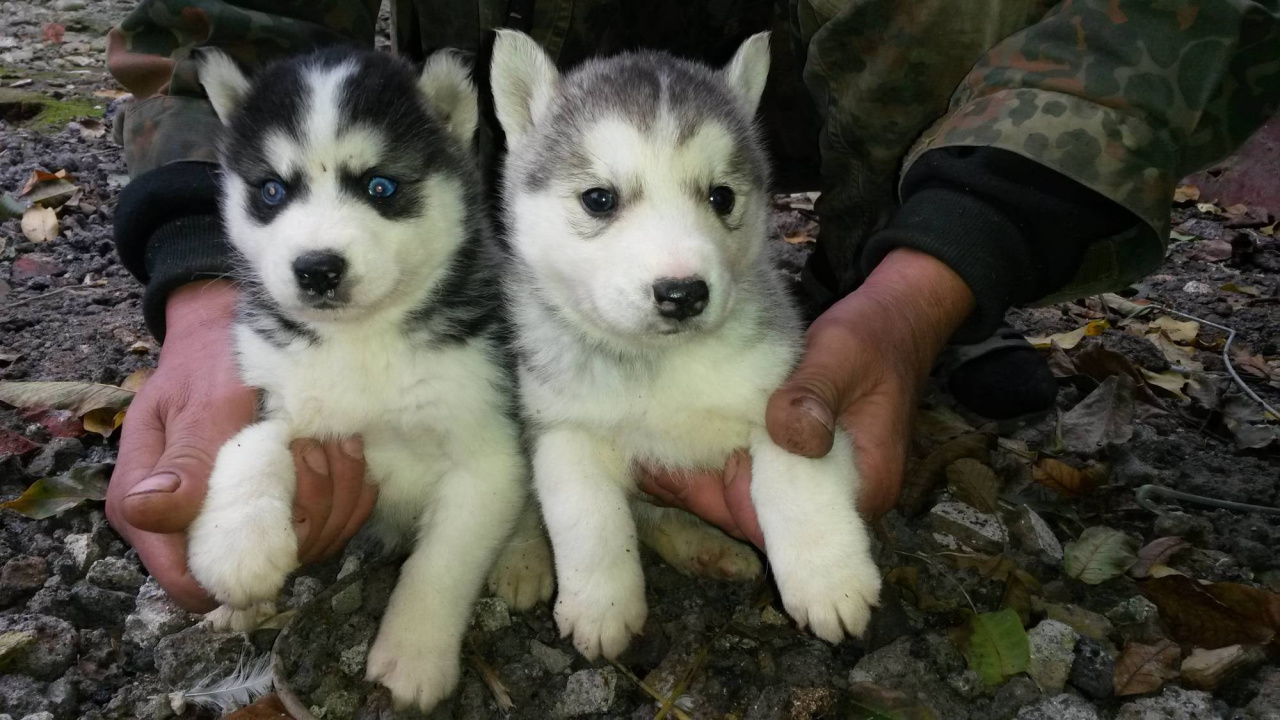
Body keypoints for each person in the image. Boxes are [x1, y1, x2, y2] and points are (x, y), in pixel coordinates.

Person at [104, 0, 1280, 611]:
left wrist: (939, 270)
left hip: (805, 88)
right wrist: (215, 290)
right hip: (512, 95)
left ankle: (892, 271)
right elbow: (223, 25)